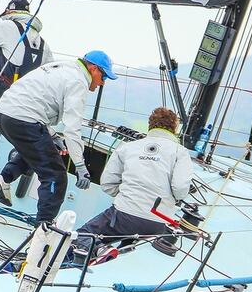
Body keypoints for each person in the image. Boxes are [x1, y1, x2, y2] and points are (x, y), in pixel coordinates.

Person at [0, 51, 117, 224]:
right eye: (104, 77)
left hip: (4, 114)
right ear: (93, 69)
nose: (102, 83)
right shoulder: (78, 81)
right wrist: (80, 165)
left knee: (39, 150)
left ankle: (4, 178)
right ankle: (43, 228)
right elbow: (72, 127)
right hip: (25, 120)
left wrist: (53, 136)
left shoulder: (60, 67)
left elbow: (35, 102)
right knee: (56, 176)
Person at [72, 107, 194, 260]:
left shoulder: (127, 148)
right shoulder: (180, 152)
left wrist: (128, 194)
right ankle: (123, 251)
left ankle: (100, 250)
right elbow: (181, 188)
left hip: (124, 216)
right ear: (175, 129)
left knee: (81, 236)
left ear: (150, 125)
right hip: (158, 223)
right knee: (132, 241)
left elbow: (107, 184)